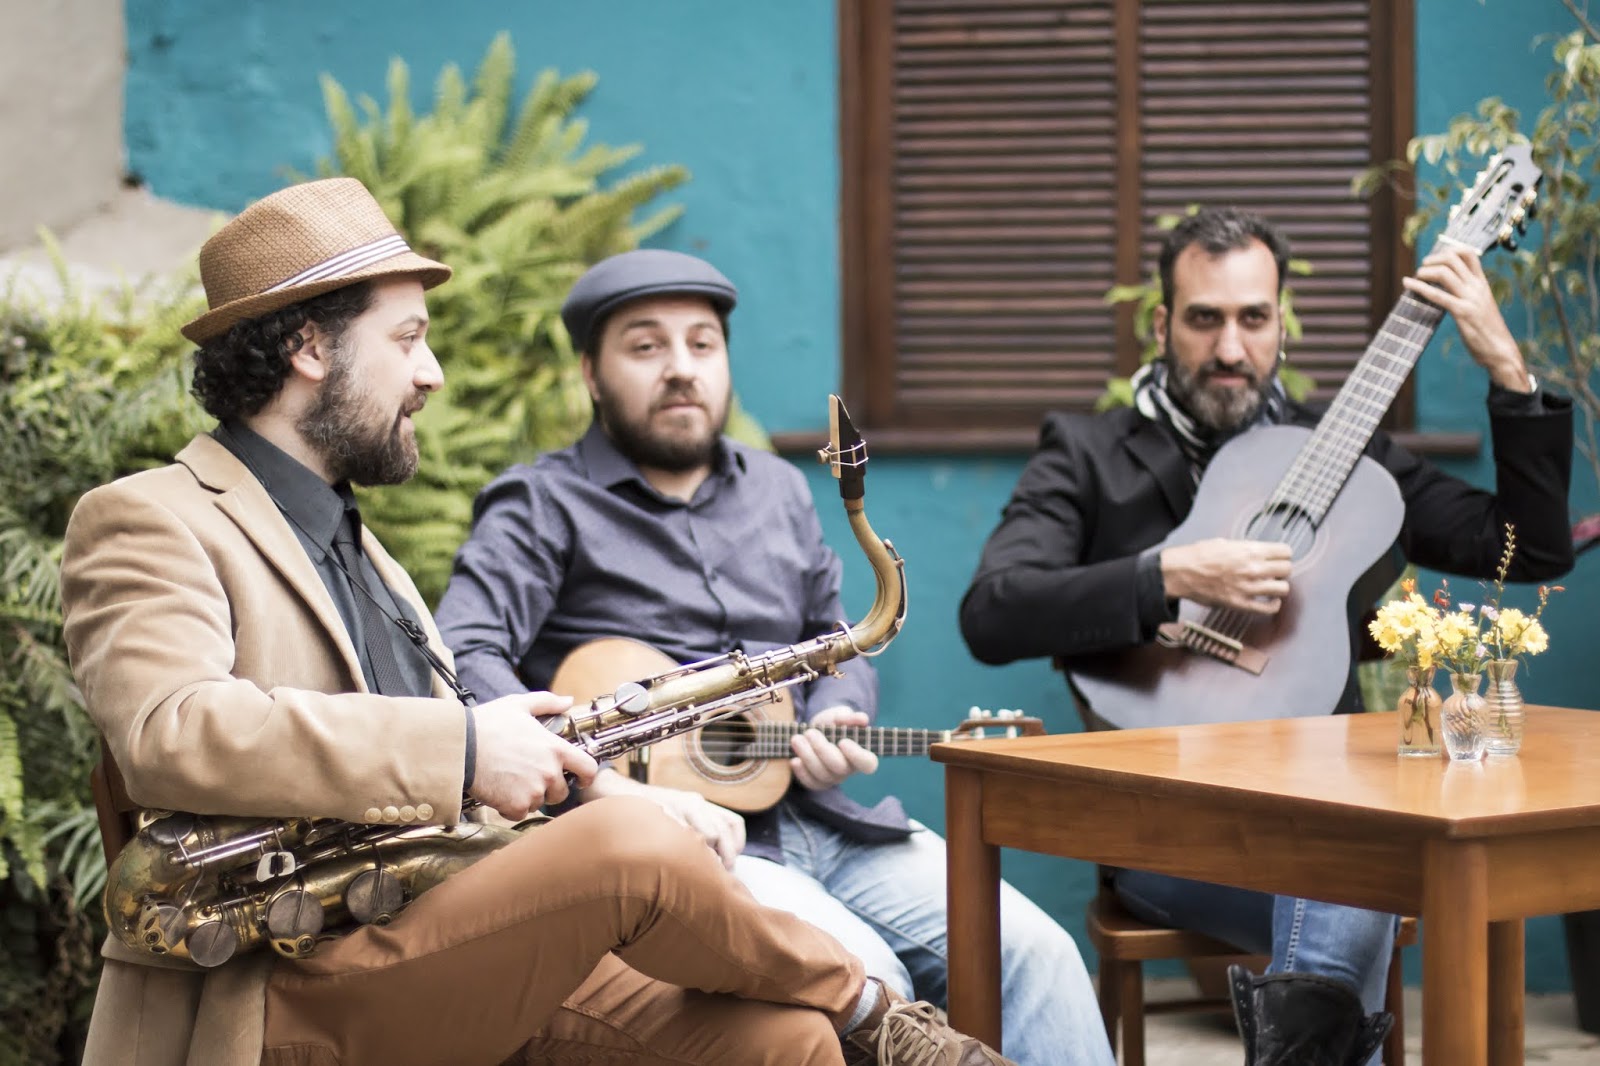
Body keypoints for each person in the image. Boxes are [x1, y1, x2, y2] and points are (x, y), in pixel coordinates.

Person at [59, 177, 1017, 1066]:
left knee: (779, 1040)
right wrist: (472, 748)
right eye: (407, 340)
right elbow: (168, 732)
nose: (430, 373)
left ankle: (840, 1022)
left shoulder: (367, 551)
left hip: (440, 923)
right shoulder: (151, 516)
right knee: (632, 858)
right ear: (310, 348)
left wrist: (609, 788)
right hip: (279, 978)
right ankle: (884, 1024)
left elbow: (449, 777)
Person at [433, 249, 1116, 1066]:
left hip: (826, 822)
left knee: (1039, 955)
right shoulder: (539, 502)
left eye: (702, 345)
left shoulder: (780, 491)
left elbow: (834, 637)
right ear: (590, 371)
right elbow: (464, 653)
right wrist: (592, 783)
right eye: (646, 347)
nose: (681, 369)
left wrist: (835, 712)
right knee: (876, 985)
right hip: (679, 845)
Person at [958, 206, 1575, 1066]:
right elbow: (992, 610)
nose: (1230, 348)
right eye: (1204, 319)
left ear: (1281, 322)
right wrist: (1168, 575)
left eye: (1253, 318)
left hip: (1324, 809)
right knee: (1350, 872)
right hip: (1161, 826)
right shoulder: (1089, 452)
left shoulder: (1348, 454)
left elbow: (1528, 550)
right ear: (1165, 323)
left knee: (1343, 859)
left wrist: (1506, 371)